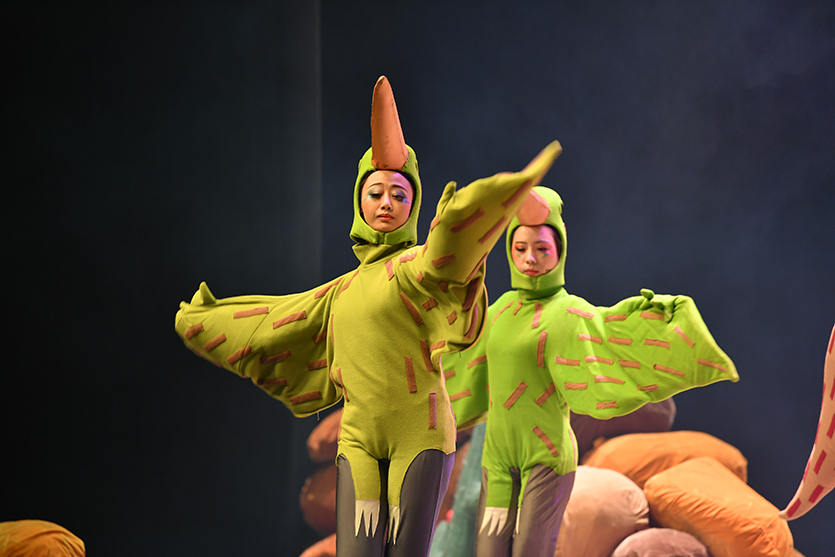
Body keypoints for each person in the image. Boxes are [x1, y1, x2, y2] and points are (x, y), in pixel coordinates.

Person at [173, 76, 562, 557]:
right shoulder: (339, 292)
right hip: (358, 438)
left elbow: (452, 251)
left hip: (419, 436)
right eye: (376, 193)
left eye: (400, 195)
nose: (386, 204)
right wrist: (202, 322)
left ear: (413, 205)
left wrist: (481, 209)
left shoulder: (415, 268)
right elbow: (274, 321)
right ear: (359, 201)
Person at [442, 186, 739, 557]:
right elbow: (462, 357)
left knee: (530, 551)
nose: (530, 258)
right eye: (520, 248)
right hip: (497, 459)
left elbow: (608, 331)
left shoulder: (567, 312)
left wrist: (654, 317)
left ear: (560, 250)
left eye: (541, 249)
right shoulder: (501, 310)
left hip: (545, 459)